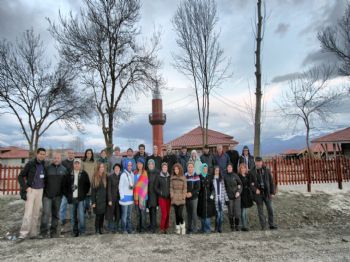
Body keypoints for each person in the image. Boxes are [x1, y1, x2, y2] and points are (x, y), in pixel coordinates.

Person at [18, 148, 47, 240]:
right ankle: (23, 234)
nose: (42, 155)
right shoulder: (30, 164)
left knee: (36, 213)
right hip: (31, 191)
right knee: (28, 213)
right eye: (41, 154)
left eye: (44, 154)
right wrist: (26, 187)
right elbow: (20, 176)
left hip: (40, 191)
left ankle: (33, 234)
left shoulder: (44, 164)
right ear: (37, 154)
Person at [40, 153, 68, 238]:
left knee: (56, 215)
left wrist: (64, 193)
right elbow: (42, 181)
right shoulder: (47, 168)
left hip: (58, 197)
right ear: (53, 159)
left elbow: (66, 183)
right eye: (55, 158)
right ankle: (43, 232)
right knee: (46, 214)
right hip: (47, 196)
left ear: (60, 159)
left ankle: (53, 232)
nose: (56, 160)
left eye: (58, 158)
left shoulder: (64, 170)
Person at [64, 158, 90, 237]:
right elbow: (64, 186)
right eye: (75, 163)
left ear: (80, 164)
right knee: (73, 216)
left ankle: (82, 231)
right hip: (72, 199)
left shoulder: (84, 173)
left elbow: (87, 185)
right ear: (73, 164)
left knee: (81, 215)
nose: (77, 165)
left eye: (78, 163)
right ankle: (74, 231)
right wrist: (68, 195)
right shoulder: (69, 174)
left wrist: (83, 194)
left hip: (80, 199)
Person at [251, 157, 278, 230]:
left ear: (262, 162)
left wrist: (272, 192)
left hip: (267, 193)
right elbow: (250, 184)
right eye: (257, 162)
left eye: (259, 161)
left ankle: (271, 224)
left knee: (270, 209)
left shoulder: (267, 170)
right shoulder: (252, 171)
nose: (258, 163)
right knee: (260, 211)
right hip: (258, 194)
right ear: (255, 162)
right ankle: (263, 226)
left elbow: (271, 182)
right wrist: (255, 189)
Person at [197, 163, 215, 233]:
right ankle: (203, 228)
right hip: (201, 199)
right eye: (204, 169)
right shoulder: (199, 177)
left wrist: (212, 195)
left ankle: (207, 229)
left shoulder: (210, 177)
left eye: (206, 169)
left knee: (208, 215)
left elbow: (212, 188)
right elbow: (198, 188)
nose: (205, 170)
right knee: (202, 214)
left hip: (208, 199)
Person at [224, 163, 242, 231]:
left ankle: (237, 226)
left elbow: (240, 184)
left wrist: (238, 192)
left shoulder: (235, 175)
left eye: (230, 167)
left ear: (232, 168)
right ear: (227, 168)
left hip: (236, 197)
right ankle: (232, 227)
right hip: (229, 197)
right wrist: (226, 197)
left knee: (237, 213)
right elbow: (224, 187)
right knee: (230, 213)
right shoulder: (225, 177)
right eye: (228, 167)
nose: (229, 168)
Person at [238, 163, 256, 231]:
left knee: (246, 210)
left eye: (244, 168)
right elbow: (238, 183)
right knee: (243, 210)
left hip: (247, 194)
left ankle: (245, 224)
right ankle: (244, 225)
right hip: (242, 194)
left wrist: (252, 183)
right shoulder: (238, 176)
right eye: (242, 168)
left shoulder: (247, 175)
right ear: (240, 169)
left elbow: (252, 180)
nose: (243, 169)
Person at [60, 149, 75, 230]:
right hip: (65, 186)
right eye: (70, 153)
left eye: (72, 153)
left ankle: (73, 220)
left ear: (74, 155)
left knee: (72, 206)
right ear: (67, 154)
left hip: (74, 187)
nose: (71, 154)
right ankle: (62, 219)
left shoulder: (76, 162)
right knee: (63, 205)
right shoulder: (63, 162)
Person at [170, 163, 187, 235]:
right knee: (176, 214)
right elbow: (171, 188)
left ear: (180, 169)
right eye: (175, 169)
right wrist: (172, 194)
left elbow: (185, 188)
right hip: (174, 198)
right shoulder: (172, 178)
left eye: (177, 169)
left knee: (180, 214)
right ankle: (177, 228)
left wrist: (183, 196)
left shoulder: (183, 177)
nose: (176, 170)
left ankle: (183, 226)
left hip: (181, 198)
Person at [119, 160, 135, 234]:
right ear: (125, 166)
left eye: (131, 165)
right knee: (124, 216)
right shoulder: (123, 175)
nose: (129, 167)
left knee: (129, 215)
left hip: (130, 198)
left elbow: (132, 185)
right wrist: (122, 197)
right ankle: (124, 229)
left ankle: (129, 228)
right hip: (124, 198)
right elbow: (120, 187)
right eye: (128, 165)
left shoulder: (132, 174)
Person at [155, 162, 171, 234]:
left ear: (167, 168)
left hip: (168, 198)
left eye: (166, 167)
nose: (165, 168)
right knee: (164, 213)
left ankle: (166, 228)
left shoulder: (169, 176)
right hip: (162, 198)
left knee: (167, 213)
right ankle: (162, 228)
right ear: (162, 168)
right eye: (163, 167)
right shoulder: (159, 176)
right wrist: (160, 192)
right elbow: (155, 187)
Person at [91, 163, 107, 234]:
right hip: (97, 200)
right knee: (98, 216)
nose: (102, 168)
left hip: (104, 200)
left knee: (102, 215)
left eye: (103, 167)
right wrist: (93, 202)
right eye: (100, 167)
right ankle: (96, 229)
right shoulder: (95, 177)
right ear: (98, 168)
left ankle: (101, 228)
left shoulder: (105, 176)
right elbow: (93, 191)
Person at [185, 161, 200, 234]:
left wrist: (191, 193)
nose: (190, 168)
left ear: (193, 168)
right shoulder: (185, 175)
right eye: (189, 167)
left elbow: (198, 188)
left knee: (194, 213)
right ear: (187, 168)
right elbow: (183, 186)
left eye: (191, 167)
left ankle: (195, 229)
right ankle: (189, 228)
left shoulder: (196, 175)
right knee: (189, 214)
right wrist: (186, 193)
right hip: (187, 198)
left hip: (194, 198)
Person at [133, 158, 148, 233]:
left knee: (143, 213)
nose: (139, 165)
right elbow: (133, 184)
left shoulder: (145, 173)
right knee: (138, 213)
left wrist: (137, 187)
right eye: (138, 164)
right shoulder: (134, 173)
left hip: (143, 196)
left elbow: (145, 185)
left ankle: (143, 228)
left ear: (143, 165)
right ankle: (138, 227)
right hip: (136, 197)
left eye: (141, 164)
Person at [106, 163, 122, 233]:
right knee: (111, 213)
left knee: (118, 214)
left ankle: (117, 227)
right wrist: (109, 199)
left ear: (120, 169)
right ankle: (111, 228)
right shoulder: (110, 177)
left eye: (118, 168)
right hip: (112, 198)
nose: (117, 169)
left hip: (120, 198)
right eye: (115, 168)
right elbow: (108, 189)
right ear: (113, 169)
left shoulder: (122, 176)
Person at [212, 166, 228, 233]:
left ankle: (220, 227)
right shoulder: (212, 180)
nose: (217, 171)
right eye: (216, 170)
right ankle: (217, 228)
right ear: (214, 171)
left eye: (218, 170)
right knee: (218, 215)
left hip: (221, 199)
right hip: (215, 199)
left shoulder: (221, 179)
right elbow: (212, 190)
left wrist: (226, 199)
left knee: (221, 215)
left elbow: (224, 190)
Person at [82, 148, 96, 218]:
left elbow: (96, 172)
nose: (89, 154)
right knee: (84, 199)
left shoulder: (94, 162)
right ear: (86, 154)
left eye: (90, 153)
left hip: (92, 183)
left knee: (90, 199)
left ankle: (89, 211)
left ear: (92, 154)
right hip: (84, 184)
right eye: (88, 153)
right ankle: (84, 211)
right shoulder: (83, 162)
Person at [147, 159, 159, 233]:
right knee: (150, 210)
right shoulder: (147, 172)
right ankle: (151, 224)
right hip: (148, 194)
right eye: (149, 164)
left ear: (154, 165)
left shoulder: (157, 172)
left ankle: (153, 227)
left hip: (154, 194)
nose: (150, 165)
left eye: (152, 164)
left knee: (154, 210)